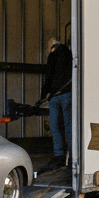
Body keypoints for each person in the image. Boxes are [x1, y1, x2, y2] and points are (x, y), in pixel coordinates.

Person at [41, 37, 72, 171]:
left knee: (55, 127)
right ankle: (71, 156)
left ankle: (59, 155)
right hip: (68, 95)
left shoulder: (53, 56)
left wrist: (43, 95)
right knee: (69, 126)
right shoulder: (71, 55)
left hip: (55, 97)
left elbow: (49, 76)